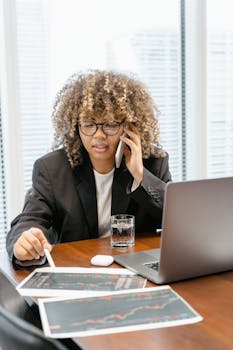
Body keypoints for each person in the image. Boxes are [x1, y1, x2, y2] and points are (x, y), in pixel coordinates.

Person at [6, 70, 172, 267]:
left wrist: (140, 175)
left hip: (137, 268)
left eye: (110, 124)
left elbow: (177, 223)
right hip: (78, 268)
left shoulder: (152, 162)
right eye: (89, 124)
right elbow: (30, 220)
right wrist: (23, 241)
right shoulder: (52, 169)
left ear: (128, 126)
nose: (99, 135)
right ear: (76, 126)